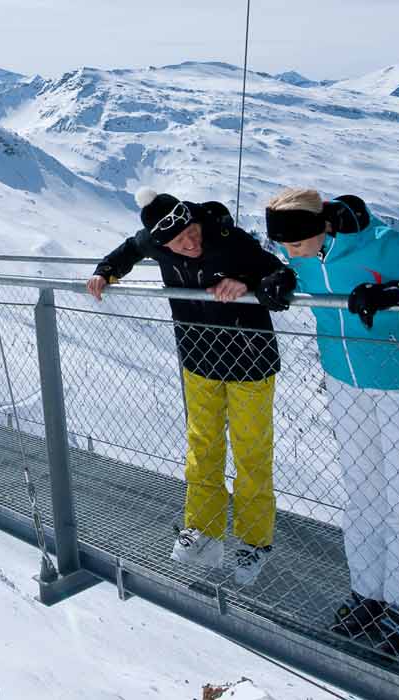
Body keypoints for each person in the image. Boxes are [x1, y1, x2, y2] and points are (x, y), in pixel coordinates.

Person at [262, 187, 399, 656]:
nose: (289, 251)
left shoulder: (380, 244)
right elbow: (293, 268)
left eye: (293, 244)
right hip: (344, 380)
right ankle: (370, 593)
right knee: (363, 493)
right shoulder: (302, 252)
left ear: (320, 226)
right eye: (282, 245)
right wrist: (280, 277)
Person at [87, 187, 296, 585]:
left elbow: (281, 273)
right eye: (181, 240)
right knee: (203, 446)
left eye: (193, 231)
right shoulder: (155, 241)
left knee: (251, 452)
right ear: (162, 242)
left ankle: (254, 543)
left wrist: (251, 284)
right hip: (198, 359)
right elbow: (127, 252)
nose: (191, 241)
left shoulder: (226, 238)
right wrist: (104, 271)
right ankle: (204, 531)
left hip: (249, 359)